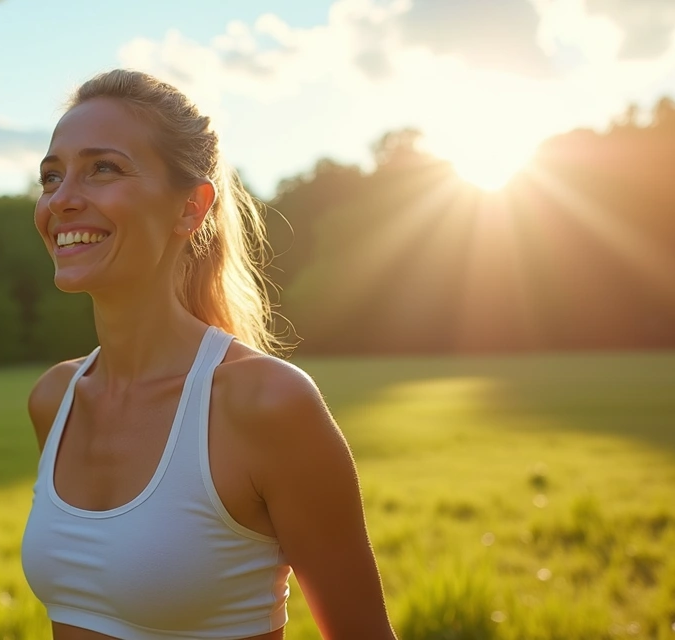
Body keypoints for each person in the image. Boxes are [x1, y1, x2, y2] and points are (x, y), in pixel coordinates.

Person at [20, 69, 396, 640]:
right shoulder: (56, 399)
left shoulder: (267, 403)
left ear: (190, 207)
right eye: (52, 176)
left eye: (103, 168)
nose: (63, 199)